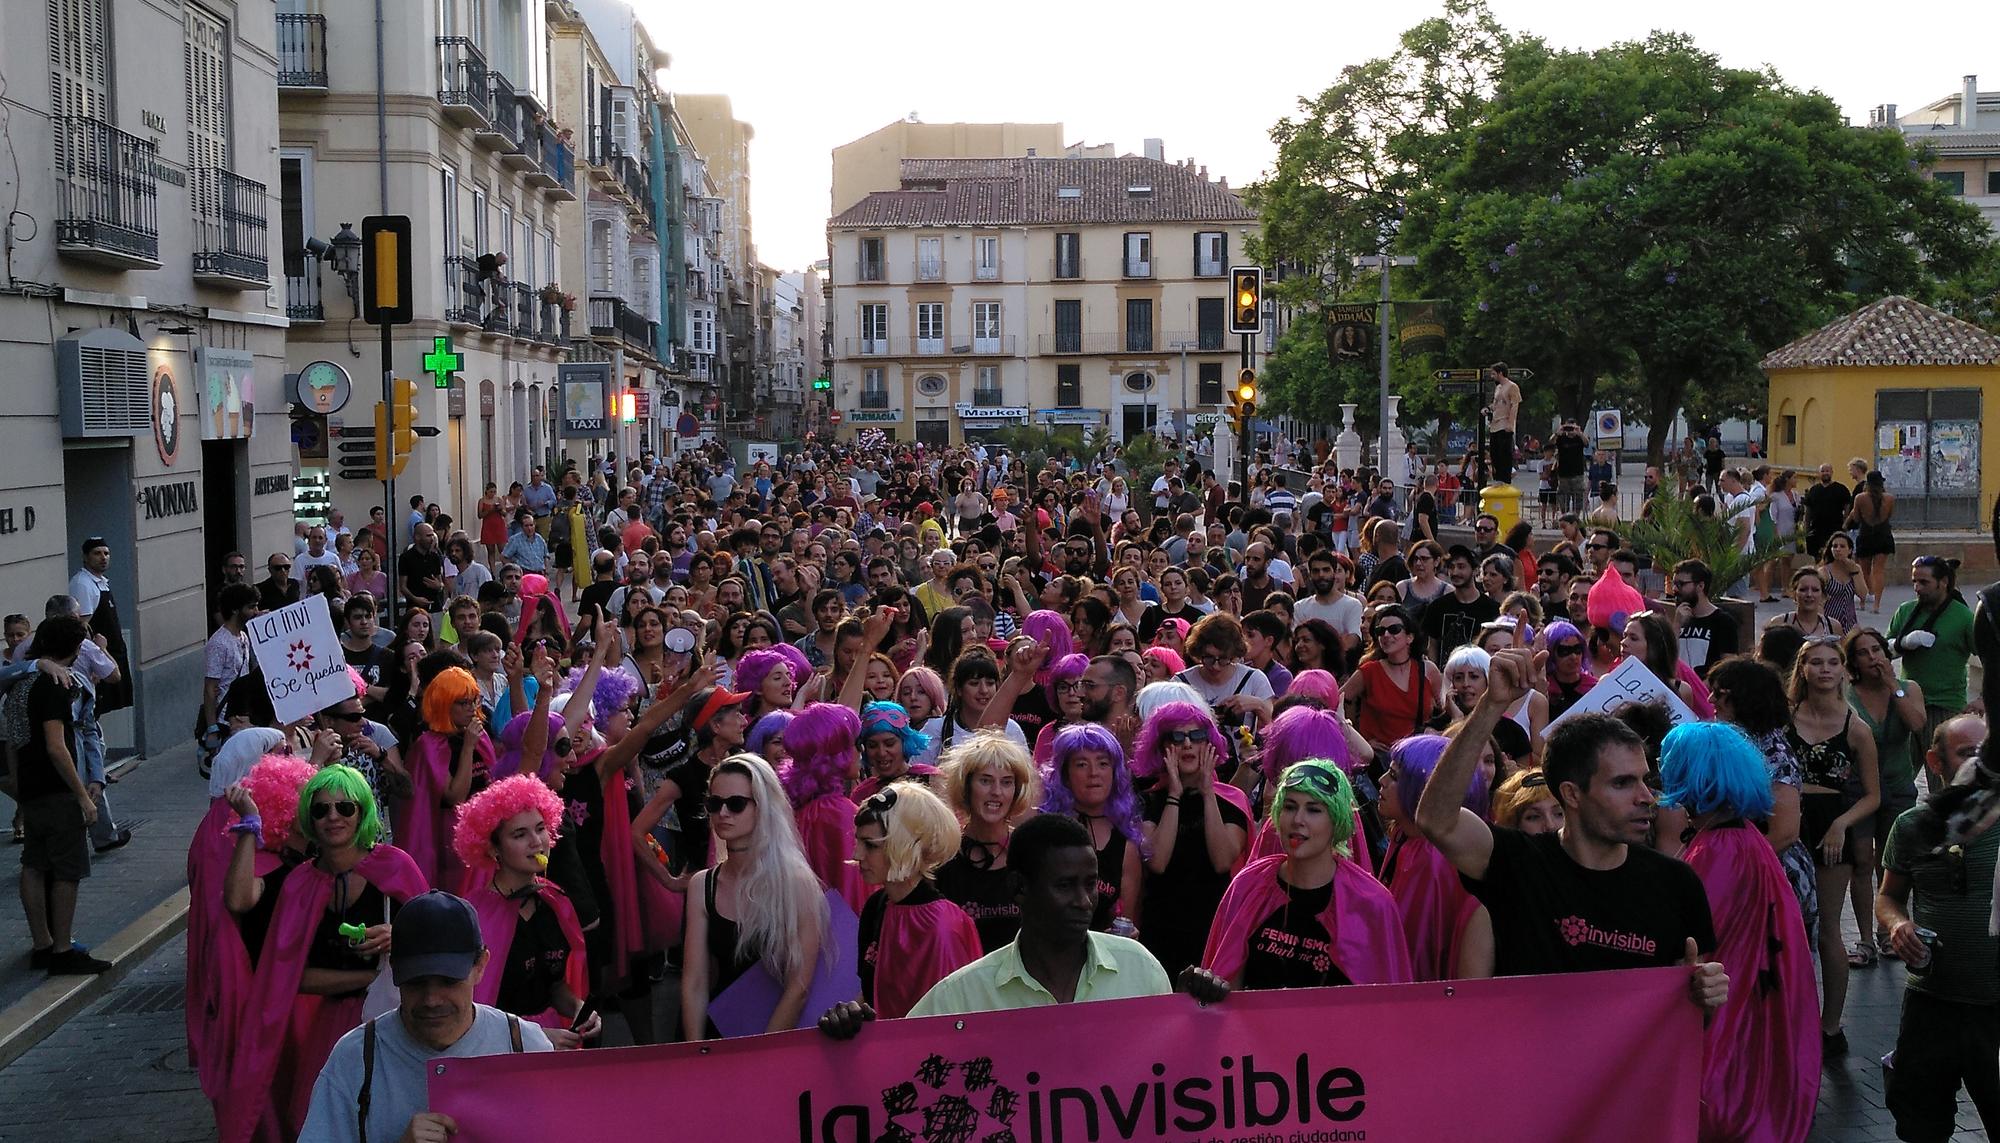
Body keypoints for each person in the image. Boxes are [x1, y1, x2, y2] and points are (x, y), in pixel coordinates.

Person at [1412, 648, 1727, 1010]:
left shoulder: (1678, 884)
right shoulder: (1519, 865)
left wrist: (1705, 1000)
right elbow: (1436, 819)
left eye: (1645, 779)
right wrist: (1489, 706)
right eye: (1622, 783)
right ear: (1572, 794)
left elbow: (1685, 1026)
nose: (1646, 797)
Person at [219, 766, 429, 1142]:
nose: (333, 817)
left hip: (400, 1018)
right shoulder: (301, 883)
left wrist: (403, 935)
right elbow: (288, 976)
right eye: (321, 810)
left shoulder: (396, 865)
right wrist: (368, 977)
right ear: (308, 820)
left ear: (362, 812)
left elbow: (438, 942)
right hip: (334, 1024)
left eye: (344, 808)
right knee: (329, 1120)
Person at [1657, 722, 1821, 1143]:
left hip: (1731, 1016)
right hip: (1753, 1004)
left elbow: (1693, 940)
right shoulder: (1744, 838)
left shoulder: (1718, 850)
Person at [299, 891, 555, 1143]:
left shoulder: (525, 1047)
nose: (432, 999)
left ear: (480, 966)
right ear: (394, 970)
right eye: (416, 982)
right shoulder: (356, 1057)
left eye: (448, 981)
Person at [1875, 714, 2000, 1141]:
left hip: (1994, 1003)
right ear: (1936, 761)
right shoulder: (1913, 826)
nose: (1980, 764)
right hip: (1933, 1001)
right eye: (1968, 753)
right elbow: (1888, 896)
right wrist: (1898, 924)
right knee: (1919, 1119)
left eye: (1989, 753)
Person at [1201, 759, 1411, 989]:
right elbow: (1225, 985)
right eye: (1290, 807)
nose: (1298, 820)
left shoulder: (1372, 903)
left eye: (1313, 810)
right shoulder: (1248, 884)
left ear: (1336, 819)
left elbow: (1386, 1004)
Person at [682, 754, 831, 1039]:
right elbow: (695, 981)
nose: (723, 813)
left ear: (763, 807)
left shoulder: (797, 883)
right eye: (714, 804)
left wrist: (759, 1056)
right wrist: (696, 1051)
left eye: (736, 804)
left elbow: (798, 988)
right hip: (720, 1029)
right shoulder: (702, 885)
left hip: (778, 1038)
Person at [1787, 633, 1882, 1055]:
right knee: (1788, 928)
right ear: (1803, 669)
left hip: (1831, 827)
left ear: (1843, 670)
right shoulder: (1784, 718)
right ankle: (1789, 1016)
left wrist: (1842, 825)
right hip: (1787, 823)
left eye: (1832, 662)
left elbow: (1873, 795)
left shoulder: (1856, 728)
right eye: (1816, 662)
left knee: (1828, 928)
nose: (1824, 670)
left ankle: (1831, 1026)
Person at [450, 775, 596, 1042]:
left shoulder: (555, 901)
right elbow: (469, 1012)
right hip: (498, 1050)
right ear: (494, 849)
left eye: (541, 829)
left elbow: (554, 984)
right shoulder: (473, 915)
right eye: (520, 834)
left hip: (552, 1045)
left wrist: (577, 1008)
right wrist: (532, 1037)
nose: (536, 842)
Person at [14, 615, 110, 974]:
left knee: (34, 864)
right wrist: (82, 796)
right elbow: (57, 746)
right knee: (67, 870)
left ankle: (41, 943)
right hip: (57, 791)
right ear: (75, 646)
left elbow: (15, 739)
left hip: (31, 786)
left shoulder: (23, 683)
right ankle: (62, 949)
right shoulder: (55, 685)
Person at [1130, 702, 1250, 978]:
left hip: (1211, 930)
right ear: (1163, 747)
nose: (1187, 744)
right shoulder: (1148, 801)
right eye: (1176, 736)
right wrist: (1174, 793)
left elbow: (1222, 860)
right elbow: (1157, 861)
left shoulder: (1231, 801)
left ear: (1210, 745)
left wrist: (1208, 793)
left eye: (1196, 736)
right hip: (1160, 931)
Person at [847, 784, 982, 1020]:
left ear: (905, 845)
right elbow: (871, 992)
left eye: (871, 845)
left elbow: (950, 1018)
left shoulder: (942, 925)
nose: (857, 855)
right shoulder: (876, 905)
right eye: (858, 841)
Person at [1845, 626, 1927, 963]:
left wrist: (1894, 687)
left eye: (1876, 650)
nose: (1872, 658)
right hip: (1858, 788)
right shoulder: (1847, 693)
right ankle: (1865, 938)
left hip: (1897, 786)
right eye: (1863, 653)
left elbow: (1918, 724)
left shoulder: (1908, 688)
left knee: (1890, 864)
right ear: (1854, 662)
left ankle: (1889, 931)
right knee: (1862, 861)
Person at [1376, 734, 1484, 980]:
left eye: (1394, 777)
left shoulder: (1432, 858)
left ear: (1423, 790)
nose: (1381, 781)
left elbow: (1418, 953)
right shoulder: (1405, 835)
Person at [933, 733, 1043, 953]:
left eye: (1006, 782)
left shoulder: (1032, 857)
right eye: (985, 780)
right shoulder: (942, 857)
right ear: (966, 786)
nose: (996, 792)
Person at [1886, 555, 1977, 763]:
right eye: (1914, 582)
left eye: (1924, 582)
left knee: (1941, 779)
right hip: (1908, 703)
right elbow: (1881, 652)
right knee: (1900, 776)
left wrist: (1983, 699)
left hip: (1944, 707)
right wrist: (1901, 643)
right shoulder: (1906, 611)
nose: (1917, 588)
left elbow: (1990, 656)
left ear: (1943, 582)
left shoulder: (1963, 617)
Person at [780, 703, 870, 913]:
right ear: (835, 751)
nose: (862, 749)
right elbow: (855, 895)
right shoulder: (839, 813)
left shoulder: (798, 808)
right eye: (855, 742)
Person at [1344, 604, 1443, 752]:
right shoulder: (1369, 671)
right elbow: (1340, 701)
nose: (1386, 635)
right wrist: (1359, 739)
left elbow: (1443, 711)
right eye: (1380, 631)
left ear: (1410, 637)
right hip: (1379, 759)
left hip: (1415, 755)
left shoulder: (1427, 670)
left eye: (1394, 630)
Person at [67, 536, 132, 713]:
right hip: (98, 656)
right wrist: (92, 664)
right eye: (97, 553)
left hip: (110, 654)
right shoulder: (83, 584)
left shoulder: (101, 582)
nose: (103, 557)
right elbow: (81, 626)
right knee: (93, 709)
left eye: (106, 553)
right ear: (85, 557)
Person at [1419, 546, 1499, 666]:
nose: (1455, 572)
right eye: (1451, 567)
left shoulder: (1492, 609)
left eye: (1461, 567)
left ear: (1475, 570)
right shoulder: (1437, 607)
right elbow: (1432, 646)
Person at [1672, 558, 1738, 680]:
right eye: (1674, 584)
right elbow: (1668, 658)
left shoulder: (1723, 621)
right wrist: (1676, 626)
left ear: (1700, 586)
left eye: (1681, 584)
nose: (1675, 589)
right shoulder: (1680, 619)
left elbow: (1729, 666)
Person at [1848, 470, 1895, 613]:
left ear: (1867, 483)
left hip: (1866, 534)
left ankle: (1862, 601)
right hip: (1883, 534)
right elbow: (1890, 516)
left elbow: (1856, 518)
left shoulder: (1860, 498)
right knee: (1879, 571)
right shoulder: (1889, 498)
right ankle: (1877, 604)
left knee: (1864, 571)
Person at [1801, 462, 1852, 562]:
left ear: (1832, 472)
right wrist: (1806, 529)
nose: (1825, 473)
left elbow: (1847, 508)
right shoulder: (1813, 490)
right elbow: (1808, 511)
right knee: (1817, 557)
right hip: (1816, 530)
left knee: (1833, 557)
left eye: (1827, 471)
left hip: (1835, 529)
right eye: (1822, 471)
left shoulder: (1841, 489)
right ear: (1819, 473)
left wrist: (1845, 525)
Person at [1485, 362, 1519, 485]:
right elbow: (1495, 404)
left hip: (1505, 423)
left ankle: (1505, 479)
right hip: (1495, 423)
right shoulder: (1498, 387)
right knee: (1494, 453)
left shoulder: (1512, 387)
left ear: (1500, 373)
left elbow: (1515, 405)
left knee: (1504, 453)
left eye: (1494, 373)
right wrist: (1488, 409)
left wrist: (1511, 423)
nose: (1492, 376)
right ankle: (1497, 478)